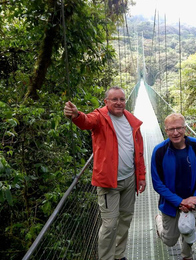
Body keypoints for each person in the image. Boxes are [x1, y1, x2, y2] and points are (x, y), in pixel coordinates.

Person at [64, 86, 146, 260]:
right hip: (109, 182)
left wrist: (142, 177)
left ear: (125, 101)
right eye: (114, 99)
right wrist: (76, 115)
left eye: (121, 99)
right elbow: (86, 121)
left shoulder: (132, 120)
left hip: (129, 179)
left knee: (125, 219)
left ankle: (119, 255)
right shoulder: (100, 118)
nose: (118, 102)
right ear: (106, 102)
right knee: (109, 225)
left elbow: (139, 152)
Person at [151, 113, 196, 260]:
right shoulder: (159, 151)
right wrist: (180, 202)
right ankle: (159, 222)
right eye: (171, 129)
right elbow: (157, 183)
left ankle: (187, 256)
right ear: (166, 131)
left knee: (188, 229)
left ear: (185, 129)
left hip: (192, 199)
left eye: (179, 128)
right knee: (170, 240)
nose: (176, 132)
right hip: (171, 202)